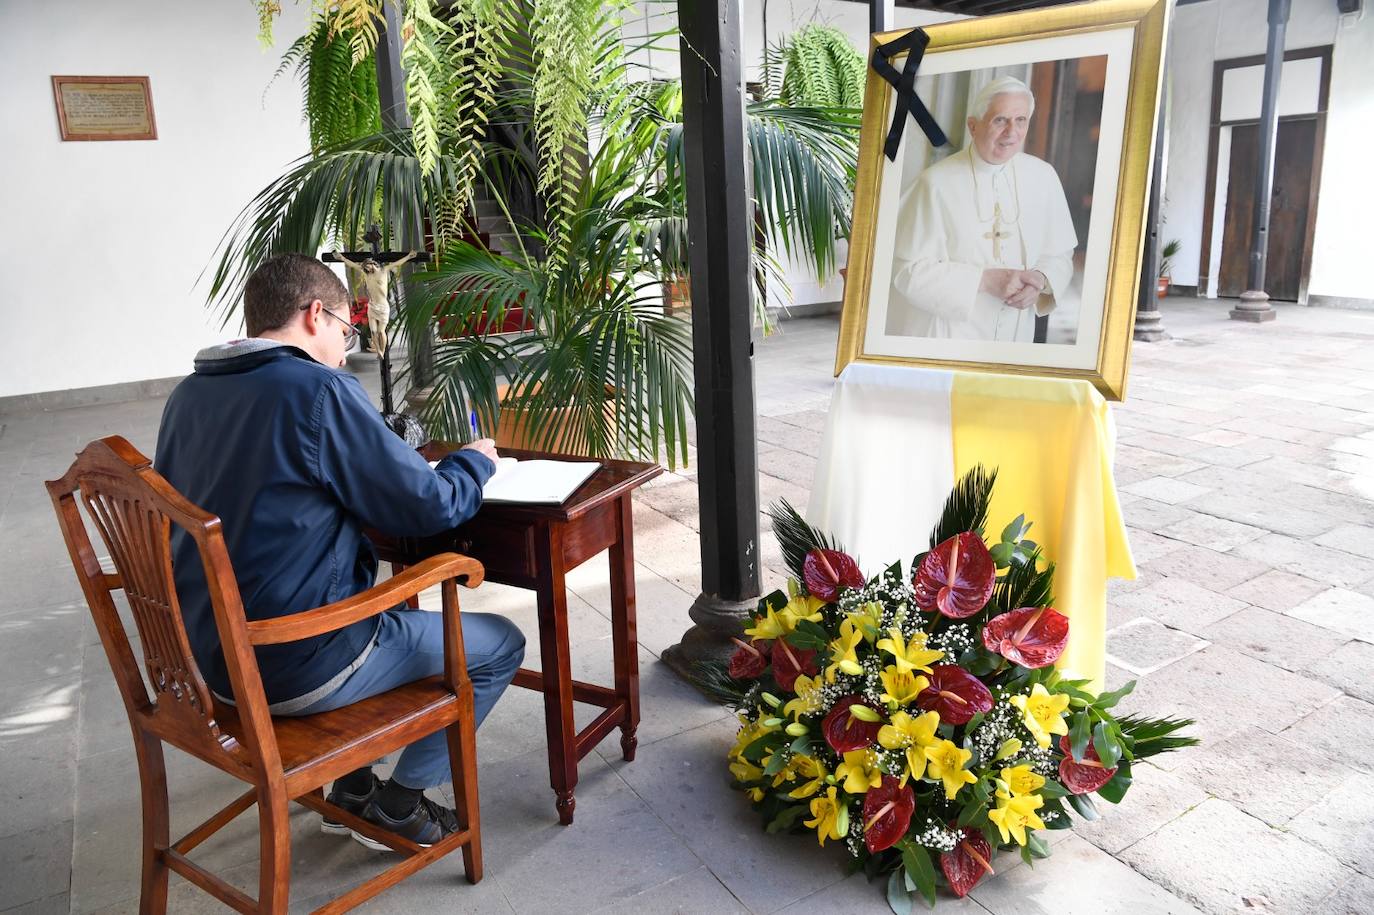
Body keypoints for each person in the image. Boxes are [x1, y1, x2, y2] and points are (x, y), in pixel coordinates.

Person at [154, 253, 524, 849]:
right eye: (344, 331)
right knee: (499, 644)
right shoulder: (317, 389)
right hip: (295, 664)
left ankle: (350, 790)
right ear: (314, 314)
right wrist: (473, 462)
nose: (345, 346)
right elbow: (427, 505)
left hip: (213, 664)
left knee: (385, 605)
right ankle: (400, 805)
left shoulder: (188, 396)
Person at [889, 76, 1078, 343]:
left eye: (1021, 120)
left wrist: (1041, 280)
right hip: (950, 335)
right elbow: (906, 270)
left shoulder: (1043, 177)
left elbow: (1060, 253)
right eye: (1000, 120)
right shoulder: (936, 183)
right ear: (973, 126)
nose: (1011, 132)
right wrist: (985, 281)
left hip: (1015, 336)